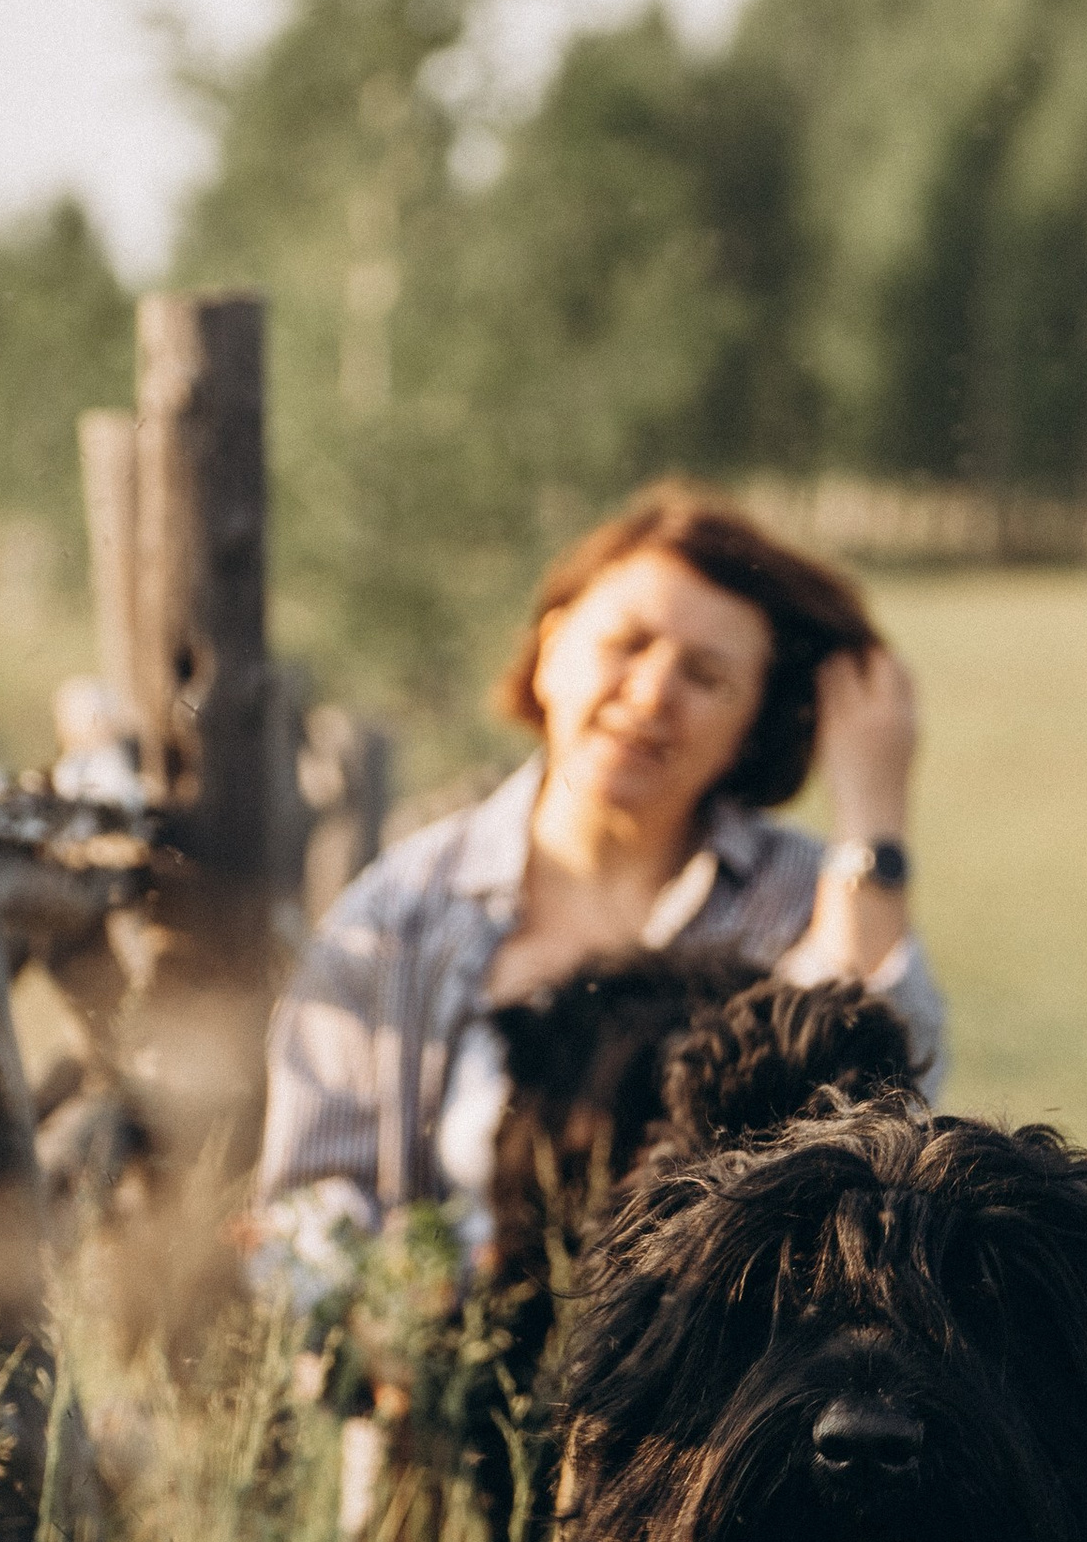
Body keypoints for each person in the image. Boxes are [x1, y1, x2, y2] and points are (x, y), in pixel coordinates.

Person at [249, 484, 941, 1314]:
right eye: (628, 643)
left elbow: (880, 1111)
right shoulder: (402, 913)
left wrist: (871, 817)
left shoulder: (797, 902)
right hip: (447, 1407)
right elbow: (302, 1207)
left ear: (753, 725)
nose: (652, 695)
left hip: (712, 1414)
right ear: (550, 652)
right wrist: (399, 1321)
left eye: (706, 676)